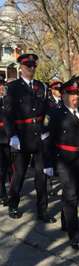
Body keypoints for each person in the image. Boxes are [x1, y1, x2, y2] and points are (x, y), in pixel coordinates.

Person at [4, 53, 56, 223]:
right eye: (28, 66)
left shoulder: (41, 86)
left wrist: (46, 127)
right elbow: (7, 114)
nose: (32, 69)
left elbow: (49, 109)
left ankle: (42, 211)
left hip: (40, 135)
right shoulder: (13, 88)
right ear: (21, 68)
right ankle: (13, 204)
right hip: (22, 135)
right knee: (19, 173)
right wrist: (12, 135)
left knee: (42, 176)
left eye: (34, 66)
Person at [47, 77, 79, 249]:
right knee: (71, 196)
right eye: (71, 93)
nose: (75, 97)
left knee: (73, 193)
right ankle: (73, 233)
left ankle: (66, 221)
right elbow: (47, 140)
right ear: (63, 94)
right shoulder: (55, 114)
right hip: (64, 160)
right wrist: (48, 163)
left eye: (77, 93)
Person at [0, 76, 10, 206]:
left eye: (2, 84)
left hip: (8, 137)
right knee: (1, 168)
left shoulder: (8, 100)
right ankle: (2, 193)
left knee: (8, 166)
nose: (1, 87)